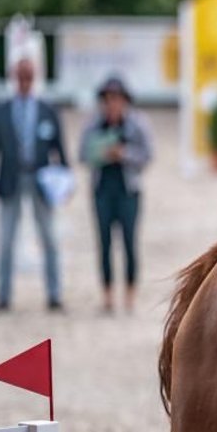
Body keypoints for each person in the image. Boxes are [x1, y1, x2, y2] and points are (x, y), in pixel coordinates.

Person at [0, 57, 69, 312]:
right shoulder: (0, 111)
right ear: (14, 77)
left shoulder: (47, 109)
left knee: (50, 237)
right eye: (20, 77)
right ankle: (3, 294)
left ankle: (54, 294)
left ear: (35, 78)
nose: (24, 82)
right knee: (6, 238)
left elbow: (60, 149)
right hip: (10, 178)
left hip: (40, 177)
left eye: (28, 77)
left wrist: (63, 182)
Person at [79, 76, 153, 314]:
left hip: (128, 190)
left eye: (117, 99)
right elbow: (82, 155)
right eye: (108, 99)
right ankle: (107, 294)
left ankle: (130, 293)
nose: (112, 104)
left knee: (130, 242)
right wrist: (100, 153)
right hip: (102, 189)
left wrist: (124, 154)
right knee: (104, 243)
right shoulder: (93, 125)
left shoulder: (137, 124)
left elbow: (147, 156)